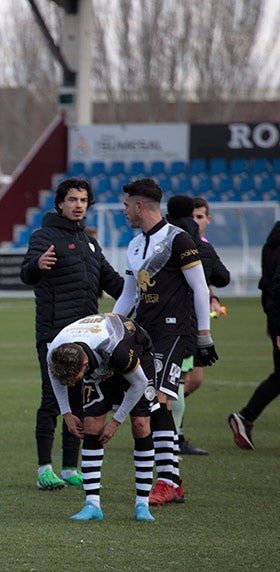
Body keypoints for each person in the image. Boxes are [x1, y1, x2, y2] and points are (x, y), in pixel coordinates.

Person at [112, 178, 216, 506]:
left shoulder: (178, 239)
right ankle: (173, 480)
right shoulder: (133, 245)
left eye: (127, 204)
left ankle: (167, 481)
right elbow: (129, 293)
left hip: (173, 332)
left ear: (140, 205)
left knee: (156, 398)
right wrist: (110, 325)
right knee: (151, 401)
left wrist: (203, 335)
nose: (125, 209)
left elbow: (200, 288)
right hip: (143, 332)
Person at [20, 178, 124, 490]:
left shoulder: (90, 243)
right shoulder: (44, 236)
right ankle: (43, 470)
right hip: (54, 334)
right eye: (73, 199)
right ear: (60, 203)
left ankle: (68, 468)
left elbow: (113, 281)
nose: (78, 205)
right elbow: (26, 273)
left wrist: (142, 293)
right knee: (53, 400)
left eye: (83, 200)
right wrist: (38, 264)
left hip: (87, 337)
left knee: (79, 401)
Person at [47, 313, 158, 522]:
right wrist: (67, 413)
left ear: (85, 363)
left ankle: (142, 504)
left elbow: (139, 384)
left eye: (75, 379)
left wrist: (116, 421)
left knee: (140, 425)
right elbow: (56, 377)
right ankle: (92, 505)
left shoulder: (117, 350)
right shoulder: (56, 350)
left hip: (137, 352)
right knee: (91, 424)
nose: (71, 384)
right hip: (99, 362)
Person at [166, 195, 230, 456]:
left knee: (188, 381)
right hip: (186, 325)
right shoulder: (198, 247)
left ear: (208, 219)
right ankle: (172, 438)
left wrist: (212, 297)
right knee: (178, 382)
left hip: (187, 323)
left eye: (201, 216)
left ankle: (170, 431)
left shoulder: (168, 240)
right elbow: (220, 277)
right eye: (194, 216)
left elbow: (204, 284)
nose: (197, 221)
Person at [229, 218, 280, 450]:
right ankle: (246, 416)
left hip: (274, 314)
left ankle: (246, 417)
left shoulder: (271, 243)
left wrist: (272, 319)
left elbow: (266, 285)